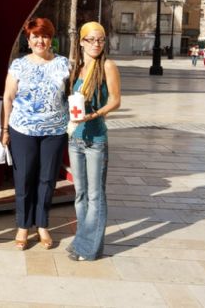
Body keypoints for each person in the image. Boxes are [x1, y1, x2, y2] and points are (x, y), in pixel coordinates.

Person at [0, 18, 69, 250]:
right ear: (28, 40)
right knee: (24, 178)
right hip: (23, 130)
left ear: (51, 39)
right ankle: (22, 225)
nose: (40, 40)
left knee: (47, 179)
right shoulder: (18, 65)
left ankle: (42, 224)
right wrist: (5, 129)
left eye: (45, 36)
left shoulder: (64, 64)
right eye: (35, 36)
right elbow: (8, 98)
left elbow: (72, 96)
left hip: (55, 131)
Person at [67, 21, 121, 261]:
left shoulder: (107, 66)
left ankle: (87, 248)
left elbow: (116, 101)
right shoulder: (77, 68)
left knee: (95, 195)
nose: (96, 44)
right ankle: (83, 241)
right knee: (80, 194)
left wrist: (96, 114)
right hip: (75, 139)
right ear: (81, 42)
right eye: (91, 40)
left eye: (100, 40)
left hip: (96, 138)